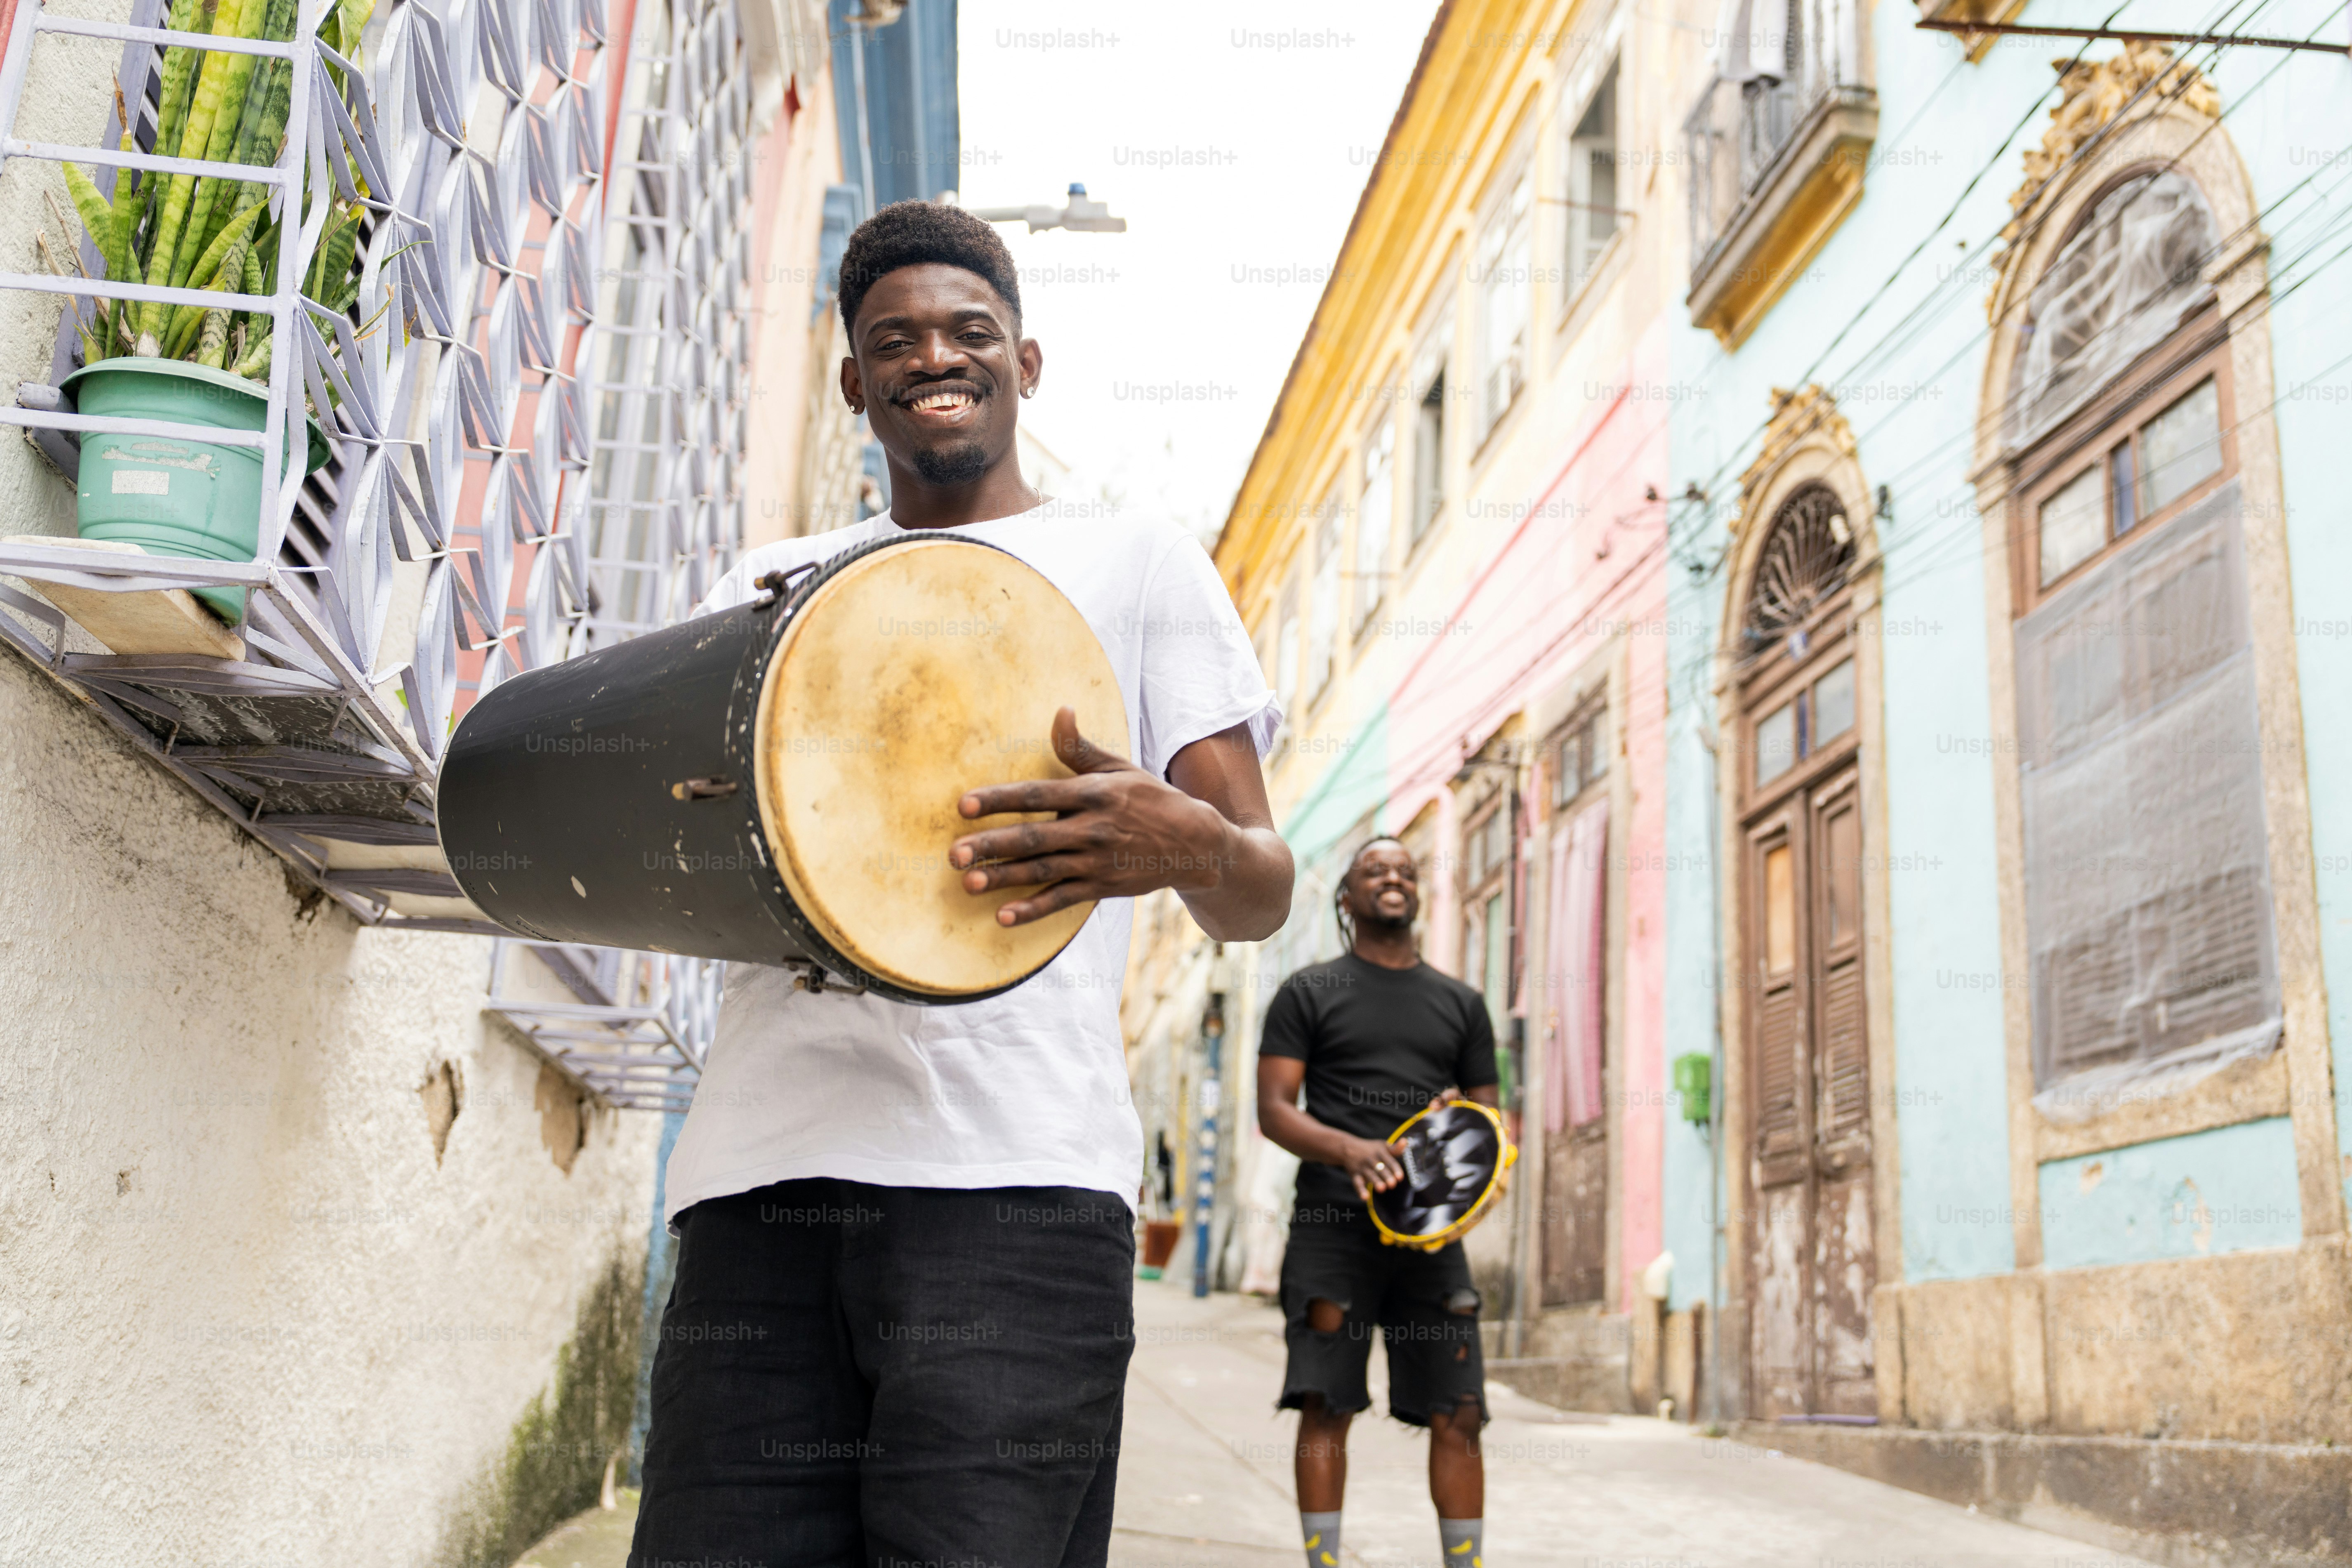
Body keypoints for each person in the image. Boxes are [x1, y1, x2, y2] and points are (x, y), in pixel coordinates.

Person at [630, 202, 1294, 1568]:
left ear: (1025, 362)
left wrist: (1189, 849)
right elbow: (672, 849)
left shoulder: (1136, 560)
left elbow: (1261, 889)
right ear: (853, 380)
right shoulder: (768, 586)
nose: (936, 354)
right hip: (763, 1185)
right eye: (898, 338)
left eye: (967, 331)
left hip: (1019, 1193)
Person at [1257, 838, 1502, 1568]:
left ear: (1417, 892)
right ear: (1346, 898)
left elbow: (1491, 1126)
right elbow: (1273, 1110)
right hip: (1332, 1222)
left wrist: (1462, 1127)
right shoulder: (1308, 991)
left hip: (1430, 1236)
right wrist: (1348, 1149)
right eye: (1374, 870)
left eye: (1405, 870)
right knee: (1323, 1400)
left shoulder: (1461, 1004)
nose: (1393, 877)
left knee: (1458, 1409)